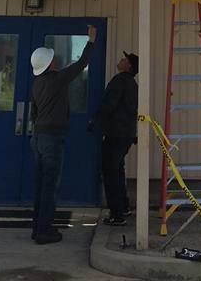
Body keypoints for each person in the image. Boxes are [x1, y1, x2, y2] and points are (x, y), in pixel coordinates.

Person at [30, 24, 97, 244]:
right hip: (51, 138)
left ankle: (37, 226)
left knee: (41, 184)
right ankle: (44, 231)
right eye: (53, 58)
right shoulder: (56, 80)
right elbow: (81, 65)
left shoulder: (37, 83)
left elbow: (34, 113)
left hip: (38, 137)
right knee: (50, 185)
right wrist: (91, 41)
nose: (57, 58)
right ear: (49, 64)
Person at [87, 50, 139, 226]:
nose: (120, 59)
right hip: (126, 134)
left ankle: (117, 215)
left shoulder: (119, 81)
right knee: (118, 170)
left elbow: (109, 103)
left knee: (110, 173)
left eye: (124, 59)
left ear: (129, 66)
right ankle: (123, 206)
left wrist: (95, 119)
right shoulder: (133, 84)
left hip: (115, 133)